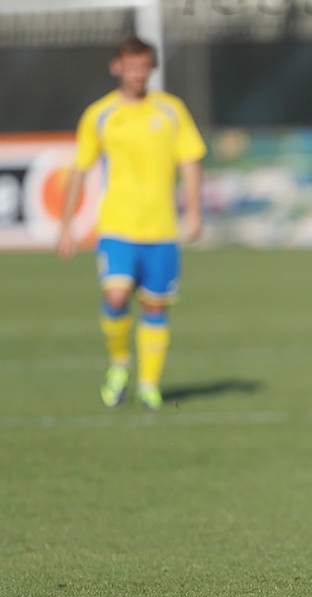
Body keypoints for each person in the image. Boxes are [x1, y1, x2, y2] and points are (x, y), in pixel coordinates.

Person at [57, 35, 206, 411]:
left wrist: (194, 210)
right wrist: (66, 225)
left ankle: (148, 385)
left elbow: (190, 161)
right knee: (116, 295)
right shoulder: (100, 114)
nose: (137, 74)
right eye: (131, 66)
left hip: (161, 229)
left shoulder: (171, 110)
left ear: (151, 68)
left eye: (144, 66)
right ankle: (120, 362)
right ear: (116, 67)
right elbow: (79, 169)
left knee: (155, 307)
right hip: (117, 226)